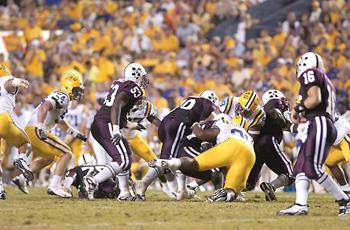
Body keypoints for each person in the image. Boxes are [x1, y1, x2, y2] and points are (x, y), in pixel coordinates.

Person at [278, 52, 350, 216]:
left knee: (312, 168)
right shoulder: (323, 79)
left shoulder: (311, 73)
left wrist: (297, 109)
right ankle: (300, 205)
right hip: (320, 123)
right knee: (301, 168)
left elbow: (315, 99)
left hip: (320, 123)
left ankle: (344, 199)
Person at [149, 114, 255, 202]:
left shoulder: (225, 125)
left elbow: (202, 135)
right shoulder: (248, 136)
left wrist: (195, 124)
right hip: (250, 154)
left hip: (232, 145)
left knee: (196, 164)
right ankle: (225, 194)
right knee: (232, 191)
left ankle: (172, 163)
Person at [135, 90, 219, 200]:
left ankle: (181, 190)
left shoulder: (191, 100)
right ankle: (144, 183)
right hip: (178, 127)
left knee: (175, 159)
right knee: (167, 161)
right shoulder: (208, 105)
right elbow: (201, 123)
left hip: (166, 124)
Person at [13, 71, 86, 198]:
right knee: (66, 153)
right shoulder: (62, 96)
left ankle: (21, 179)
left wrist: (75, 133)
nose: (78, 93)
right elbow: (44, 108)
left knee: (49, 158)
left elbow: (59, 121)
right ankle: (54, 186)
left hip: (31, 130)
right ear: (68, 88)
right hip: (36, 129)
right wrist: (41, 127)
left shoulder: (64, 100)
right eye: (76, 90)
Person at [83, 63, 147, 200]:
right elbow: (116, 105)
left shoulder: (120, 83)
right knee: (123, 160)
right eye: (142, 76)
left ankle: (124, 192)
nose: (144, 80)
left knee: (125, 154)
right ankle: (93, 181)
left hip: (101, 122)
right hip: (107, 124)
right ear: (136, 75)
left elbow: (118, 111)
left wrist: (131, 125)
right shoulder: (133, 87)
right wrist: (116, 129)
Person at [246, 90, 294, 201]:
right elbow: (274, 111)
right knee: (289, 174)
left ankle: (230, 190)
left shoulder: (261, 110)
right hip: (268, 142)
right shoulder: (275, 105)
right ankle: (271, 186)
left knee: (249, 184)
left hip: (256, 147)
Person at [0, 64, 32, 199]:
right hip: (2, 119)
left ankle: (0, 189)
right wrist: (20, 81)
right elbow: (9, 82)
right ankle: (20, 160)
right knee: (25, 144)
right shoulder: (5, 79)